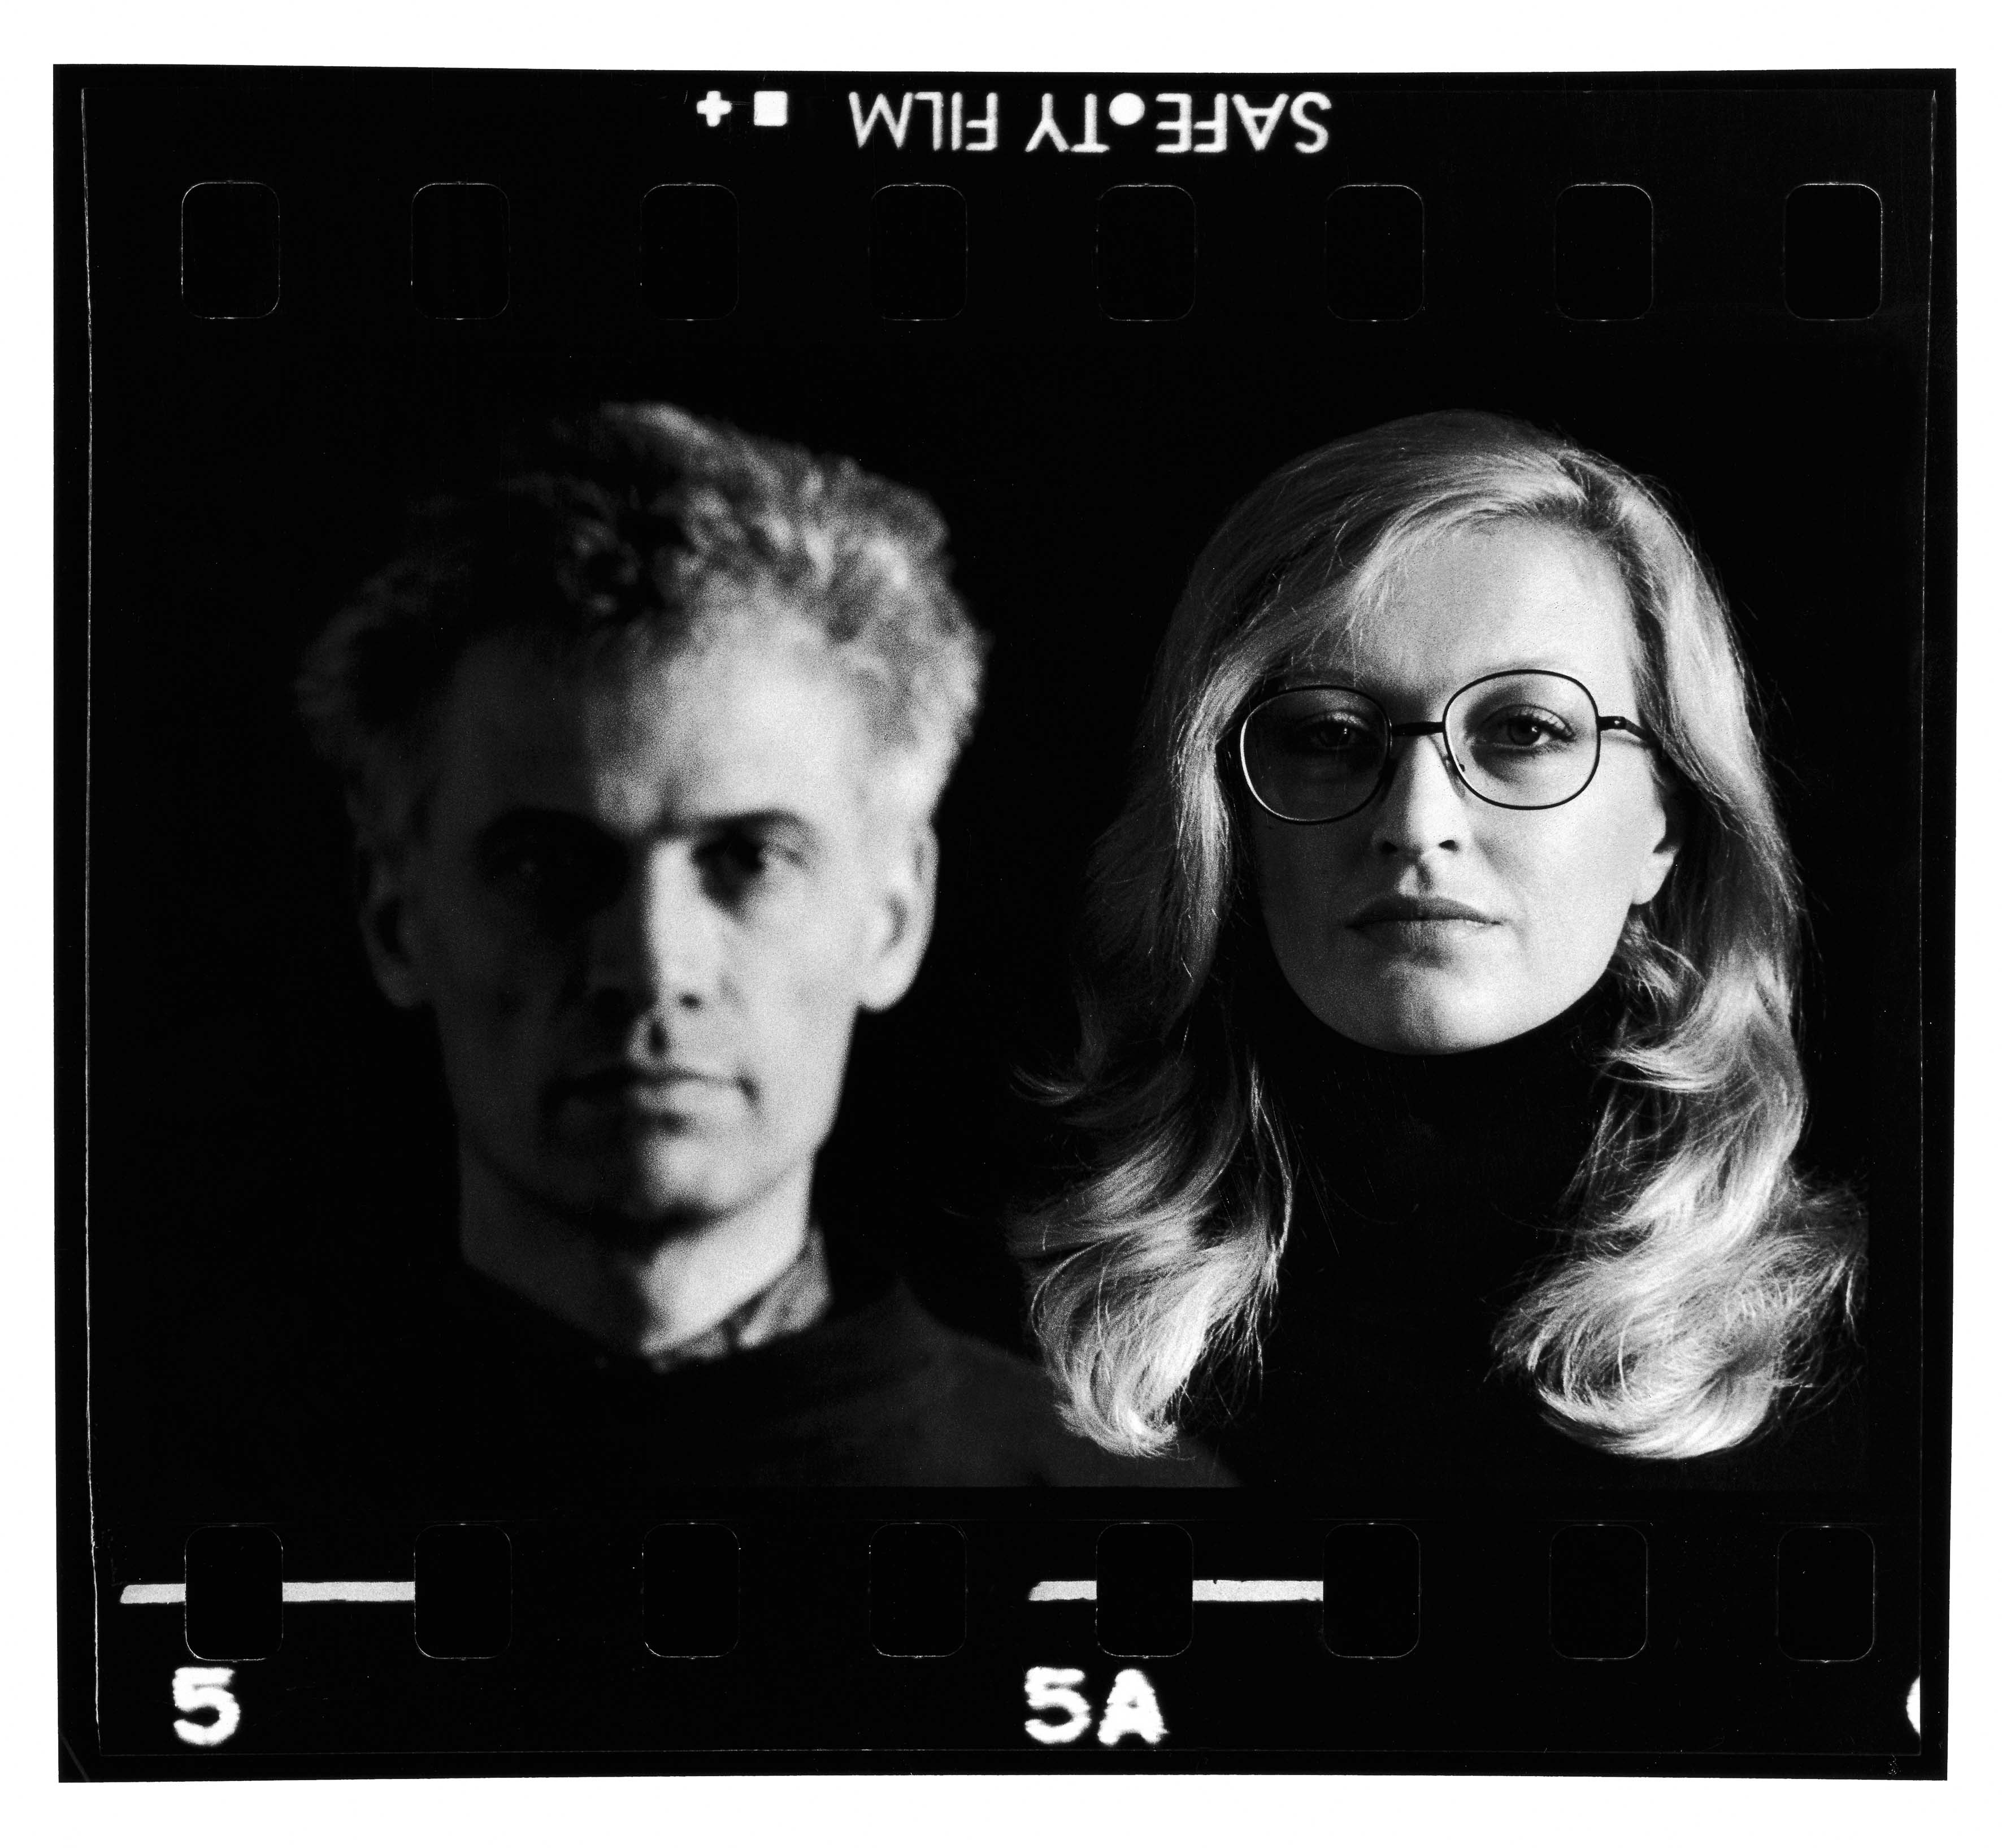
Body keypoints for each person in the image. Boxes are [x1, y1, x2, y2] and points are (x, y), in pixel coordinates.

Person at [219, 400, 1223, 1509]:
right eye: (546, 864)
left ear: (894, 915)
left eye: (748, 858)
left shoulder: (1128, 1530)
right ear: (392, 919)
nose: (651, 968)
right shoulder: (167, 1505)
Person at [1015, 410, 1865, 1494]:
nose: (1418, 824)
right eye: (1328, 735)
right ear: (1224, 813)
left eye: (1524, 731)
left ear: (1666, 822)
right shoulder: (1022, 1305)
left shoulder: (1874, 1351)